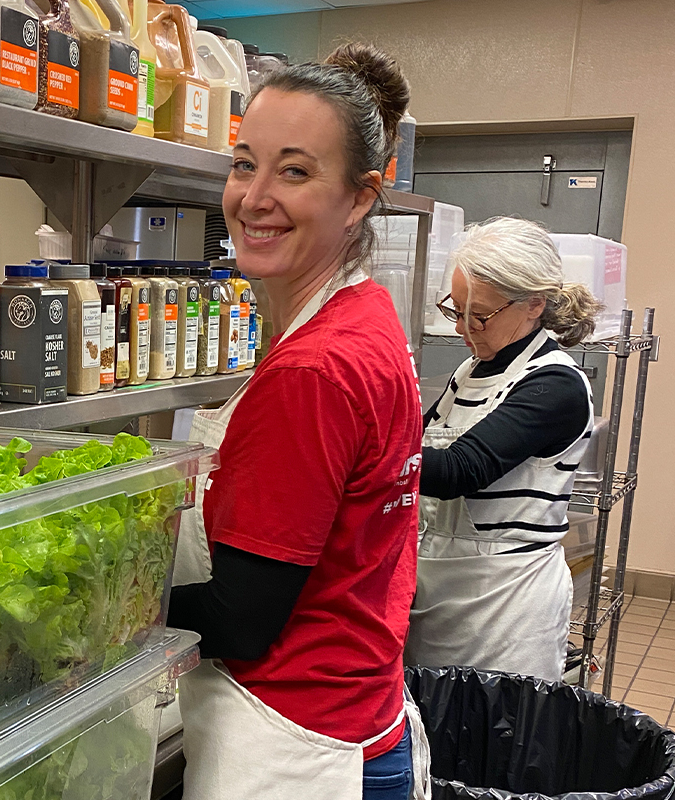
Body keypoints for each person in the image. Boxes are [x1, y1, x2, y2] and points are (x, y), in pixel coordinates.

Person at [165, 44, 427, 800]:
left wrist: (88, 612)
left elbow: (242, 620)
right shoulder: (363, 315)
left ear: (361, 197)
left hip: (292, 740)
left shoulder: (315, 369)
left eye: (296, 170)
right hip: (356, 714)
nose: (254, 196)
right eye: (245, 163)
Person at [405, 217, 600, 681]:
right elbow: (417, 445)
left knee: (493, 739)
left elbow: (457, 470)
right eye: (456, 311)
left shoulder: (555, 384)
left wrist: (343, 450)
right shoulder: (469, 372)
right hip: (438, 596)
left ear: (534, 304)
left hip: (505, 612)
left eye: (480, 316)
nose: (462, 329)